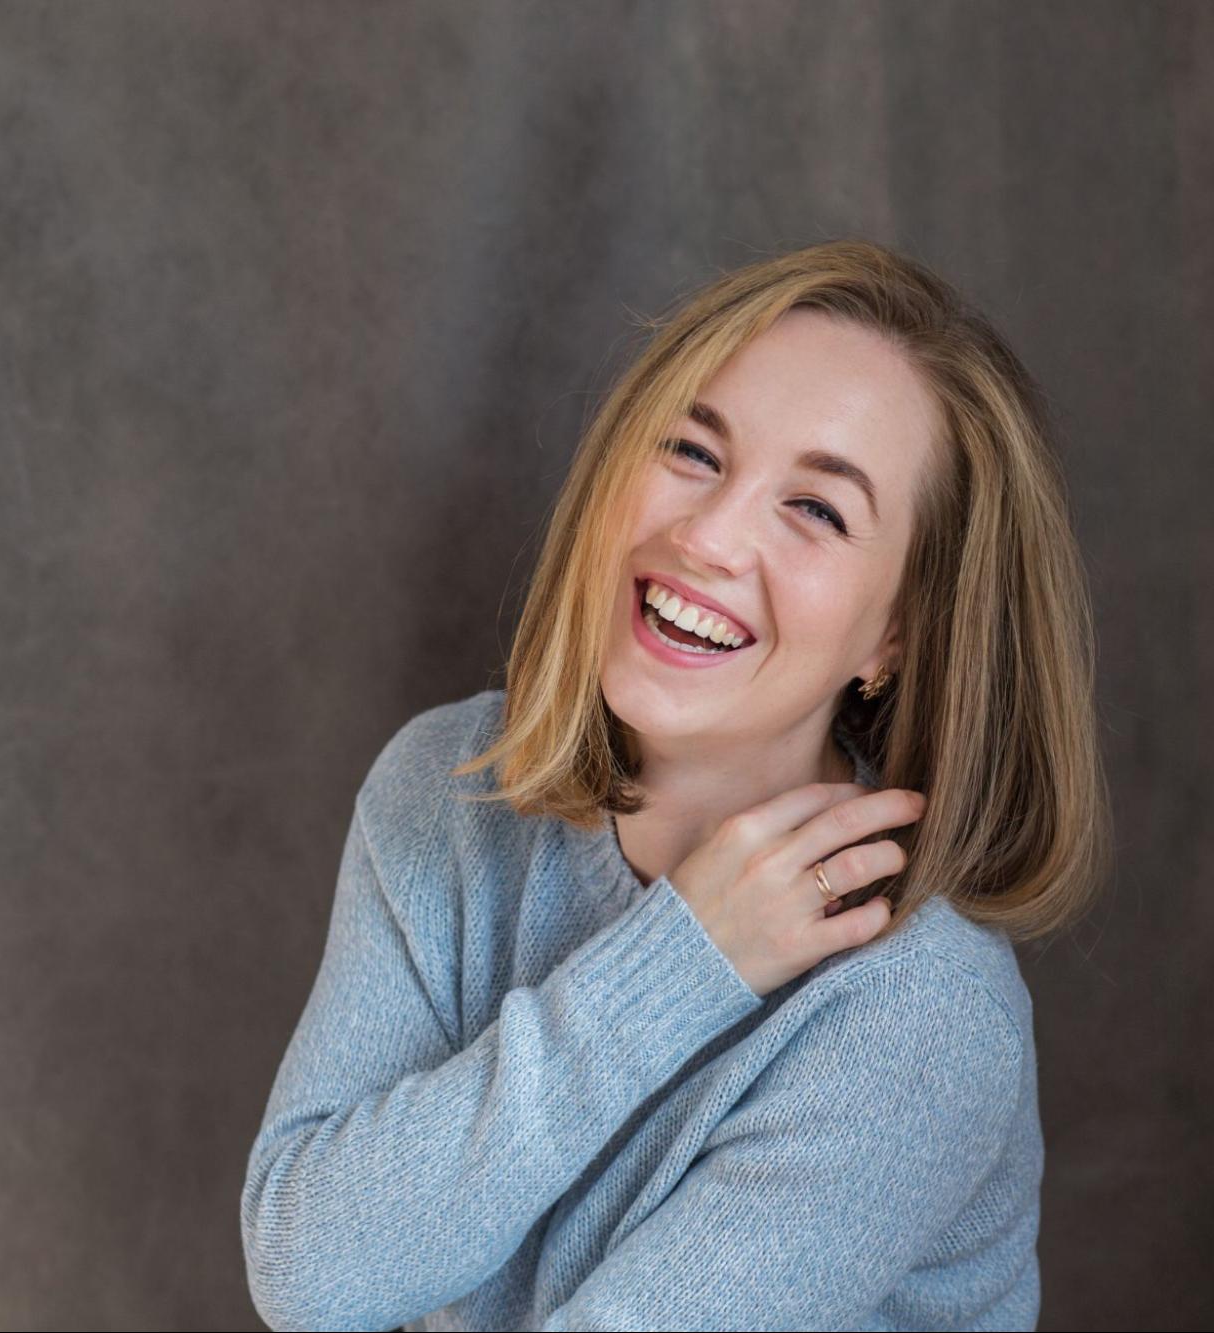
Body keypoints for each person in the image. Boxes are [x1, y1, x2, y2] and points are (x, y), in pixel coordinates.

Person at [239, 239, 1109, 1331]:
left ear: (895, 634)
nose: (706, 536)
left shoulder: (921, 1006)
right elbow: (309, 1271)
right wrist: (683, 962)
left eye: (817, 509)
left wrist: (685, 964)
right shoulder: (448, 787)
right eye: (694, 450)